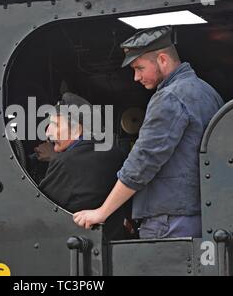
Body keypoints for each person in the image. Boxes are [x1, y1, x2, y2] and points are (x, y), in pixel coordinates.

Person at [73, 25, 224, 239]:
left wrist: (102, 212)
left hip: (169, 220)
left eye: (139, 68)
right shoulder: (207, 92)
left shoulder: (169, 98)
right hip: (198, 214)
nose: (135, 77)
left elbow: (143, 161)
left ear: (162, 59)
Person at [37, 92, 130, 240]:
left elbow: (40, 209)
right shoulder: (115, 153)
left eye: (54, 124)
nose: (48, 132)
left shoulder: (66, 162)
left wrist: (55, 159)